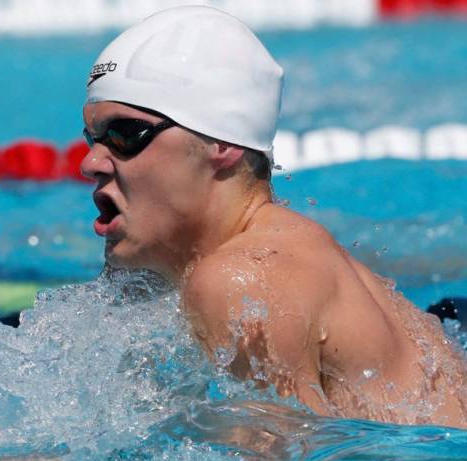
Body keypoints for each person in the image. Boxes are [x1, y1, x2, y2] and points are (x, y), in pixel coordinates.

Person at [81, 5, 467, 428]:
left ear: (221, 145)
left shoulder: (240, 280)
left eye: (124, 135)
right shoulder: (276, 256)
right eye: (92, 138)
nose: (91, 163)